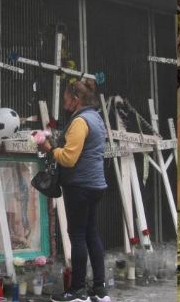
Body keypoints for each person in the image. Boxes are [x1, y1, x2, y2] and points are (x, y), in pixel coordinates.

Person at [37, 79, 109, 302]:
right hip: (95, 185)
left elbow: (69, 158)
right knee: (91, 234)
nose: (64, 102)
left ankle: (77, 291)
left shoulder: (80, 121)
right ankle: (99, 289)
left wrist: (49, 148)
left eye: (66, 98)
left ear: (76, 99)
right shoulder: (96, 117)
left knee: (77, 236)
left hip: (80, 186)